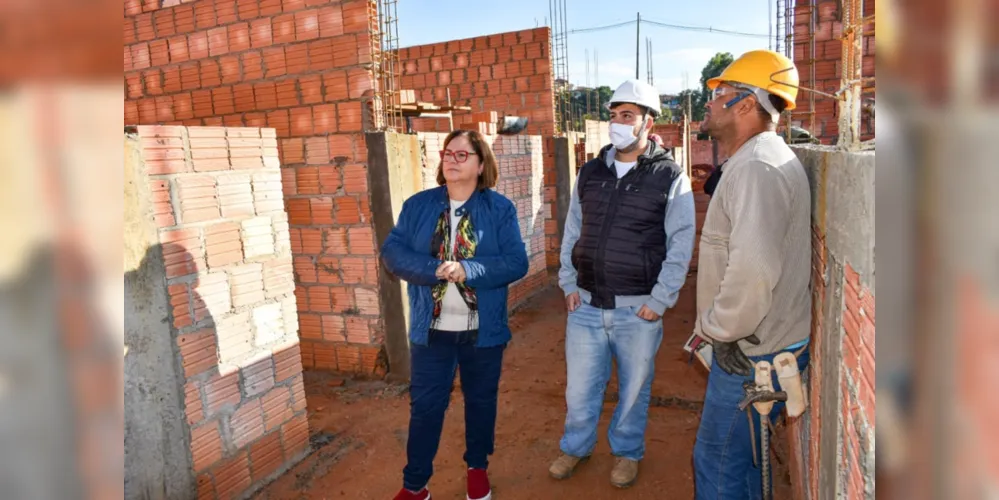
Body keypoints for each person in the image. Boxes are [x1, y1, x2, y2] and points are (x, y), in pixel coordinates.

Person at [550, 79, 696, 488]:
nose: (617, 123)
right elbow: (572, 230)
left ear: (648, 123)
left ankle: (627, 452)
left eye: (627, 116)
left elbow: (680, 242)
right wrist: (568, 283)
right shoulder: (591, 172)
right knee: (579, 390)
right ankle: (575, 447)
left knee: (633, 391)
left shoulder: (669, 176)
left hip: (638, 309)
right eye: (613, 115)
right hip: (587, 306)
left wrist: (661, 299)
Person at [690, 49, 812, 500]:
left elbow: (754, 271)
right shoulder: (751, 161)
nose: (709, 101)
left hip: (751, 354)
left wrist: (720, 332)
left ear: (745, 104)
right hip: (759, 346)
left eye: (718, 93)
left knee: (716, 463)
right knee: (738, 465)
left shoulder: (758, 168)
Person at [382, 129, 529, 500]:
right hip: (431, 330)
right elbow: (393, 253)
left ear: (481, 165)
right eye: (448, 153)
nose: (451, 159)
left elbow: (515, 262)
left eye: (462, 155)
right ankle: (415, 485)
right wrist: (434, 268)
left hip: (482, 332)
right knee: (426, 407)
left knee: (480, 402)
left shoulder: (499, 209)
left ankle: (477, 468)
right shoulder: (418, 206)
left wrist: (470, 270)